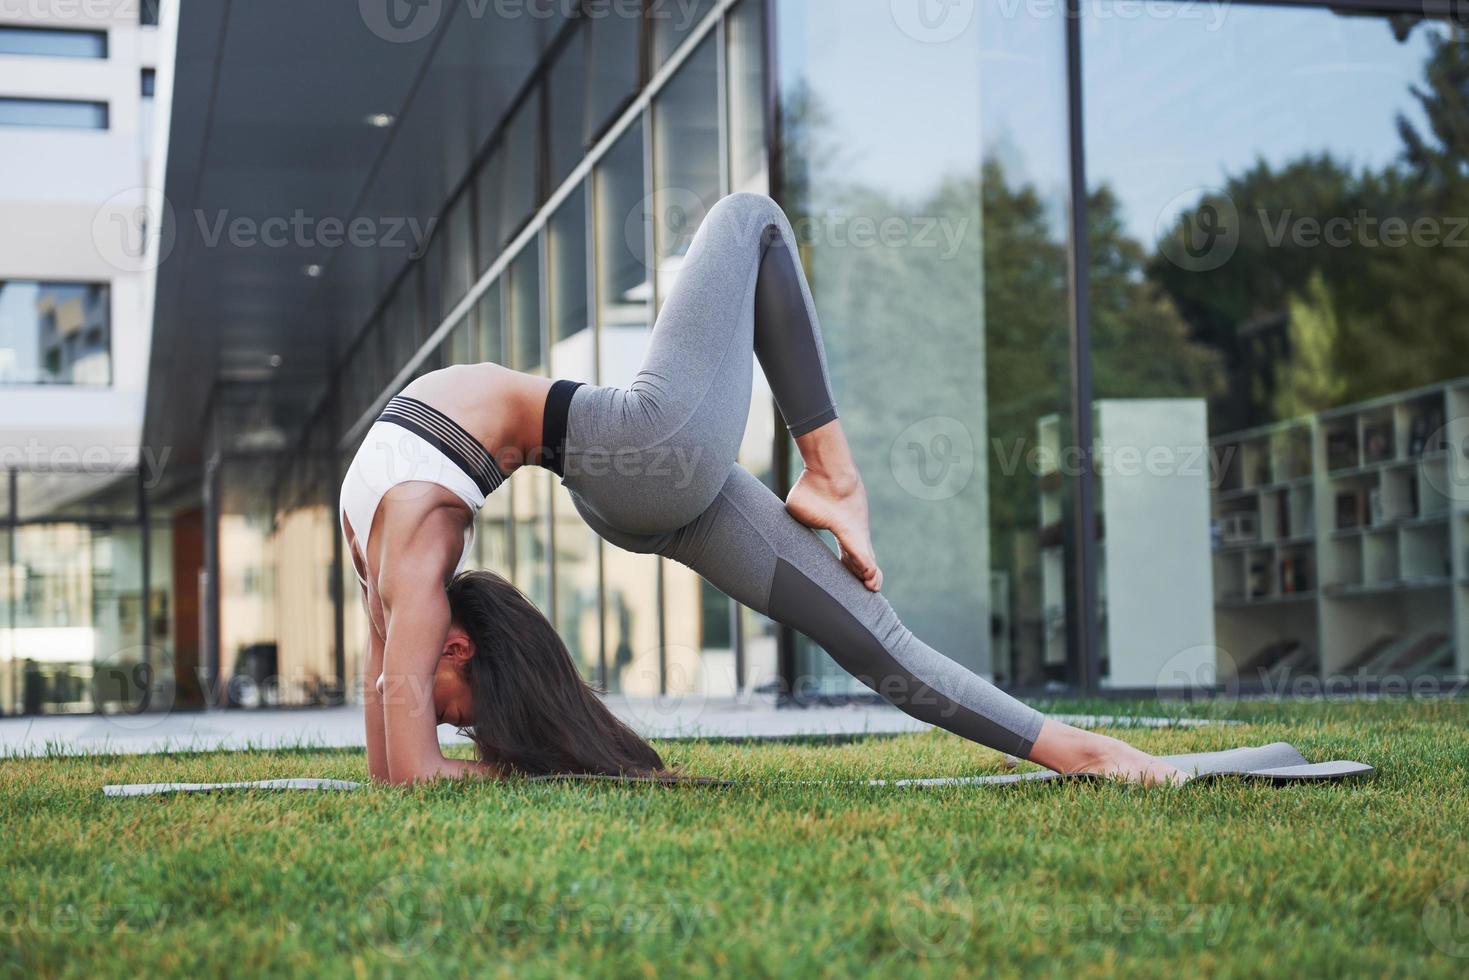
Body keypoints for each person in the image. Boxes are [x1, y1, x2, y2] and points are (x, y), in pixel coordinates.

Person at [340, 192, 1187, 787]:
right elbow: (403, 774)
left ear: (455, 647)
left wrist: (497, 759)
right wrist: (519, 763)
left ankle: (1078, 752)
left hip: (631, 461)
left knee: (873, 639)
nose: (445, 720)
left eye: (457, 710)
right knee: (752, 219)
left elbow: (399, 773)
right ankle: (830, 473)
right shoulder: (401, 576)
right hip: (633, 462)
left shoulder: (406, 585)